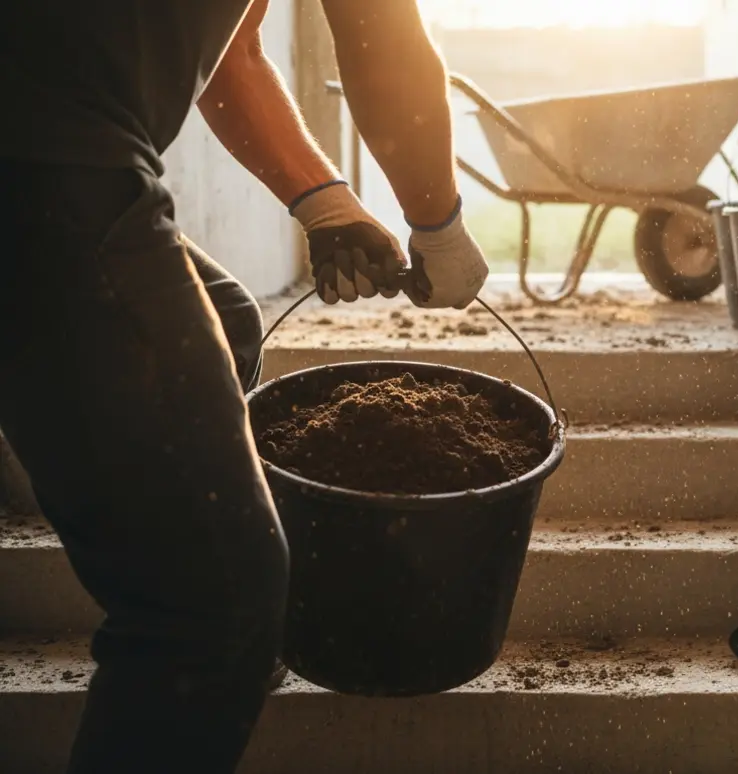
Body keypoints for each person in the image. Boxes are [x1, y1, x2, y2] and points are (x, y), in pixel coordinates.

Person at [0, 1, 488, 771]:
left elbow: (234, 53)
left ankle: (198, 573)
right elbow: (381, 37)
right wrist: (440, 227)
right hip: (46, 165)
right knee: (212, 606)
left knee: (225, 320)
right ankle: (210, 614)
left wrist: (325, 202)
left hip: (43, 142)